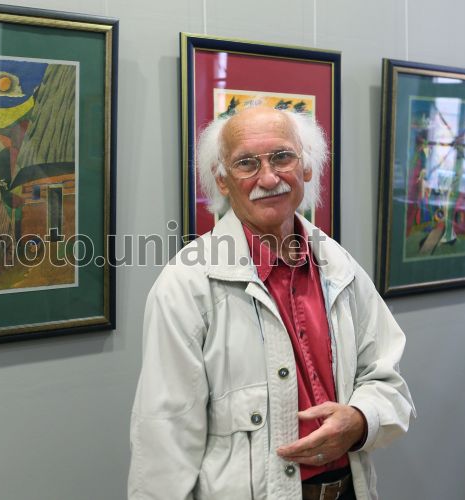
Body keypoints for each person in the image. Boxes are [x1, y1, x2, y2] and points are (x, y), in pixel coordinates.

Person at [128, 107, 415, 500]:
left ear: (306, 167)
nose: (268, 178)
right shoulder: (187, 284)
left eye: (282, 157)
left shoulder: (339, 266)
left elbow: (386, 380)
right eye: (246, 163)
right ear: (222, 180)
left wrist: (361, 419)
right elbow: (163, 440)